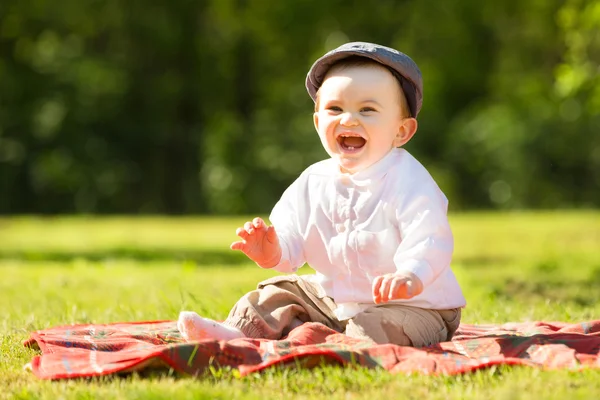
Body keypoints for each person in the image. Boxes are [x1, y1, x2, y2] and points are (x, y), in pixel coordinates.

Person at [178, 42, 466, 347]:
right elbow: (291, 237)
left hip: (415, 304)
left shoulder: (410, 181)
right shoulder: (313, 181)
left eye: (367, 109)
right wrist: (272, 251)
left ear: (402, 131)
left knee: (377, 328)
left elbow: (429, 237)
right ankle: (238, 332)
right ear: (318, 123)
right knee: (280, 291)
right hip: (335, 299)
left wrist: (411, 273)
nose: (348, 119)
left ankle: (344, 345)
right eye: (335, 109)